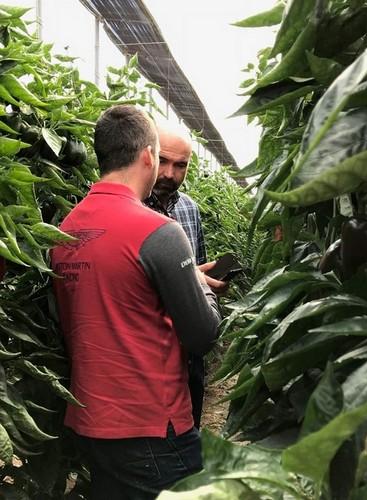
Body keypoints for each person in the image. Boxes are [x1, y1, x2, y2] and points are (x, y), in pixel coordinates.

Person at [51, 105, 221, 500]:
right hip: (152, 427)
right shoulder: (159, 231)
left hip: (91, 421)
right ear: (148, 155)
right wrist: (200, 282)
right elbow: (202, 336)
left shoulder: (66, 228)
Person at [145, 124, 227, 429]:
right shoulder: (133, 208)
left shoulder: (189, 209)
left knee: (189, 429)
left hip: (189, 348)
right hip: (151, 348)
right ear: (147, 156)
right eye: (163, 161)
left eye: (180, 165)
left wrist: (209, 283)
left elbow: (197, 266)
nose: (169, 174)